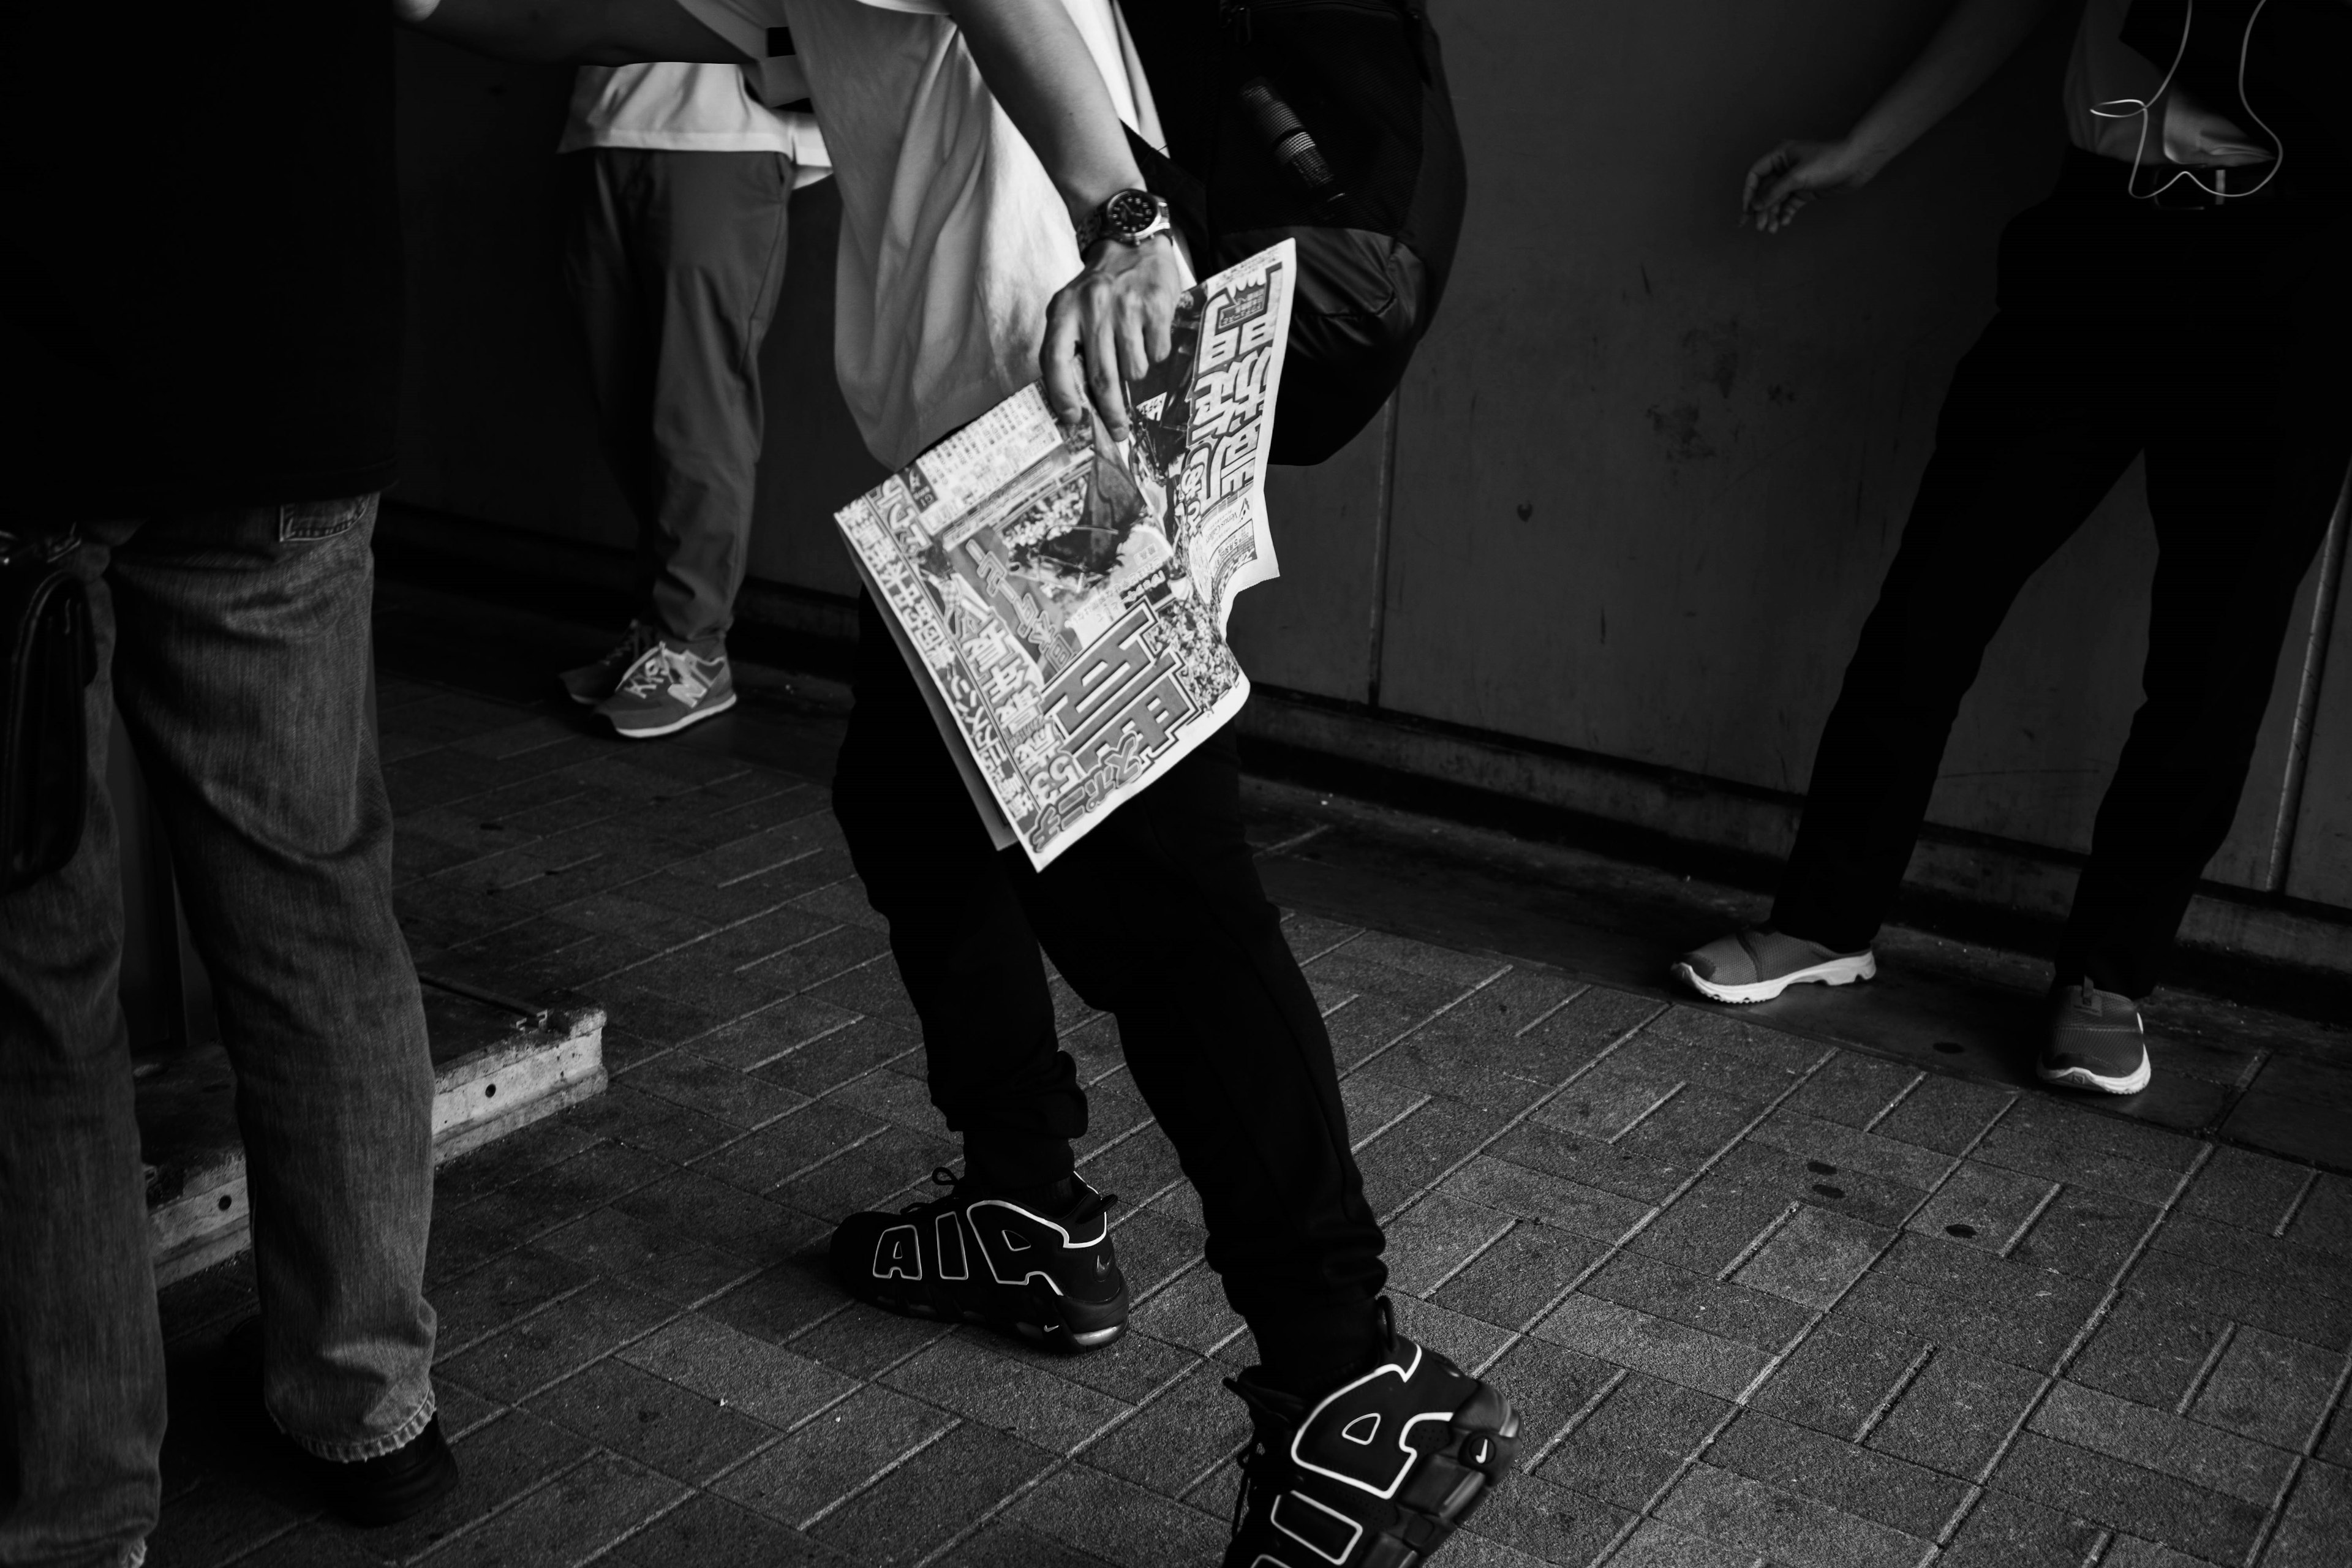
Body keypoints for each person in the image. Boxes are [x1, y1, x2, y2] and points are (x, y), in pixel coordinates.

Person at [405, 2, 1519, 1564]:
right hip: (961, 434)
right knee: (907, 803)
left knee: (1164, 905)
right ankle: (1023, 1210)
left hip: (1043, 418)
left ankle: (1350, 1385)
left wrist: (1121, 218)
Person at [1673, 0, 2351, 1099]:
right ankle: (1823, 922)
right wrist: (1865, 147)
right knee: (1937, 594)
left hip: (2296, 260)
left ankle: (2108, 980)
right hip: (2102, 238)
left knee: (2213, 656)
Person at [2, 4, 461, 1563]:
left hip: (27, 390)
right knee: (315, 915)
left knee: (30, 969)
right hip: (288, 367)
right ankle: (364, 1397)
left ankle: (74, 1489)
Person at [556, 62, 832, 738]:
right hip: (601, 121)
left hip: (725, 136)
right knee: (625, 412)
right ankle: (656, 633)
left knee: (696, 411)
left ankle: (695, 648)